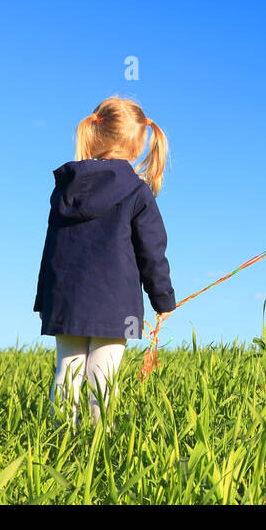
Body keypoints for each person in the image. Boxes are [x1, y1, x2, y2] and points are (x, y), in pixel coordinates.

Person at [33, 97, 176, 427]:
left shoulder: (65, 190)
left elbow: (50, 248)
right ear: (139, 142)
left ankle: (59, 443)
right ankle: (101, 446)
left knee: (66, 370)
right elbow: (152, 250)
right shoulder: (136, 193)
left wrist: (44, 299)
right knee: (103, 375)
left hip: (66, 299)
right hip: (115, 303)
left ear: (97, 132)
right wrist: (163, 300)